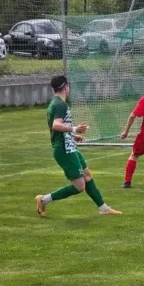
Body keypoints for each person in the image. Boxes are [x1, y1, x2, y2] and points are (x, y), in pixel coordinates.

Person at [35, 75, 122, 217]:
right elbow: (56, 125)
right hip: (64, 150)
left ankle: (103, 208)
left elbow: (57, 128)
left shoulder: (55, 102)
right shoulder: (60, 104)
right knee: (80, 186)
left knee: (87, 176)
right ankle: (44, 200)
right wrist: (74, 129)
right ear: (66, 86)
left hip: (69, 146)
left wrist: (72, 136)